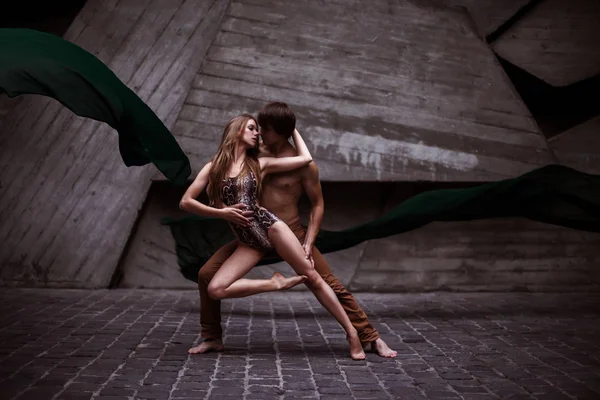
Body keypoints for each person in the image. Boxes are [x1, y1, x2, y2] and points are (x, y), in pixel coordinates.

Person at [188, 103, 397, 358]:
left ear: (283, 131)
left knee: (327, 282)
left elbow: (318, 205)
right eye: (258, 128)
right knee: (206, 275)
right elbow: (226, 176)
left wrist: (308, 242)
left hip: (290, 232)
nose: (260, 133)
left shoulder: (303, 166)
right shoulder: (254, 155)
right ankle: (212, 337)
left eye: (265, 129)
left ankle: (370, 337)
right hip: (252, 234)